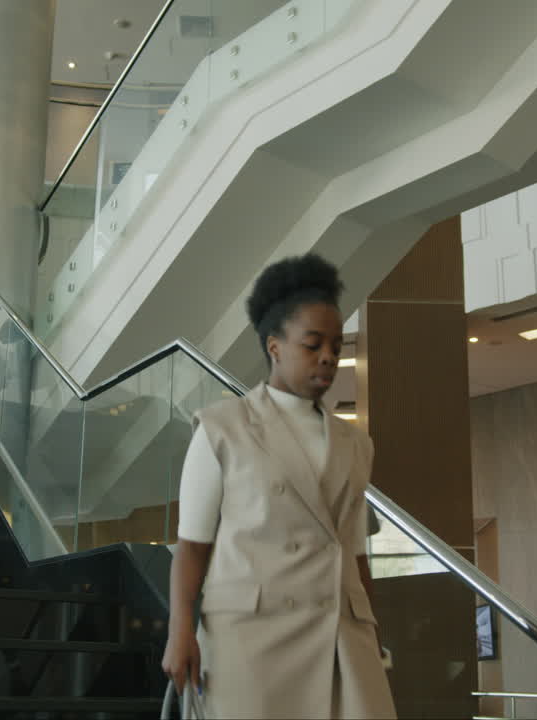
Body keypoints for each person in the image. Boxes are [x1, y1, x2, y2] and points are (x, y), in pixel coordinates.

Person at [161, 254, 396, 718]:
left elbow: (353, 551)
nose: (329, 356)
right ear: (274, 347)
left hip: (340, 635)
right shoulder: (220, 429)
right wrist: (180, 632)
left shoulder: (355, 443)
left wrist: (374, 631)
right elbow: (192, 547)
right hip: (249, 636)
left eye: (337, 345)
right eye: (313, 344)